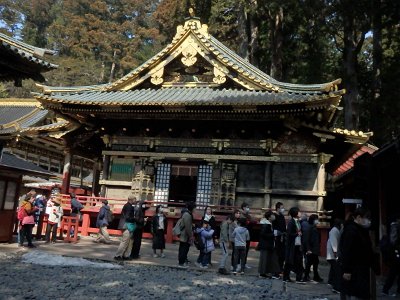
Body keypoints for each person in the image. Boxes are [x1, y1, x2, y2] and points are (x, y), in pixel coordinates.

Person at [339, 207, 377, 299]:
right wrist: (347, 270)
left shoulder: (362, 230)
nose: (369, 221)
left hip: (362, 268)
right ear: (359, 217)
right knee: (354, 293)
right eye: (367, 218)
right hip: (354, 270)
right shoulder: (351, 230)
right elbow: (347, 251)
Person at [283, 207, 305, 284]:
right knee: (289, 261)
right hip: (292, 245)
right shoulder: (291, 222)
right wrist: (297, 234)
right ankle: (286, 277)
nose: (300, 213)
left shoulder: (298, 222)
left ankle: (299, 278)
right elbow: (289, 234)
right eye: (299, 212)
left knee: (299, 261)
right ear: (295, 213)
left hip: (298, 244)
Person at [258, 210, 280, 279]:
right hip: (265, 244)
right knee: (264, 259)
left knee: (267, 259)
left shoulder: (270, 223)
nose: (274, 216)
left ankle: (265, 272)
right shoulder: (265, 224)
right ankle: (262, 273)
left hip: (268, 244)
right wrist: (273, 234)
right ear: (269, 217)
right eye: (272, 215)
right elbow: (263, 234)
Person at [382, 215, 400, 296]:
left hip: (394, 254)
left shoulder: (393, 227)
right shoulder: (395, 227)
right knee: (393, 272)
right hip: (395, 253)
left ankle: (386, 289)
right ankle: (386, 289)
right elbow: (393, 240)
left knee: (394, 272)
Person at [115, 195, 136, 260]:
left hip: (126, 224)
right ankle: (118, 255)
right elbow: (128, 217)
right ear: (132, 199)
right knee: (125, 241)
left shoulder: (127, 206)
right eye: (135, 199)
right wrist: (135, 219)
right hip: (127, 225)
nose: (135, 201)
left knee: (129, 241)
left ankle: (125, 255)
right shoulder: (129, 207)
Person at [303, 214, 323, 282]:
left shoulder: (313, 228)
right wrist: (308, 249)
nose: (317, 221)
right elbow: (307, 239)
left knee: (314, 263)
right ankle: (308, 276)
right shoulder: (310, 228)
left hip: (314, 249)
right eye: (316, 219)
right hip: (312, 249)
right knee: (310, 263)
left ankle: (313, 276)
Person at [326, 218, 343, 293]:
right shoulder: (334, 230)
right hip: (333, 253)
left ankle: (331, 281)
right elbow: (334, 242)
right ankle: (336, 287)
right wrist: (336, 252)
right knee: (337, 270)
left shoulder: (335, 230)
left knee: (333, 269)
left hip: (332, 253)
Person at [178, 201, 196, 268]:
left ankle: (181, 262)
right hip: (185, 234)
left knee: (183, 248)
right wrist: (191, 235)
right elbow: (188, 227)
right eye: (194, 208)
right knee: (183, 249)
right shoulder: (187, 215)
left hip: (184, 234)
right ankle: (181, 263)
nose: (195, 209)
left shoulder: (187, 214)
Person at [239, 202, 256, 268]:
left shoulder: (248, 215)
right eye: (247, 207)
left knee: (246, 249)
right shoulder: (241, 215)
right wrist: (249, 222)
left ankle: (244, 263)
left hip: (248, 234)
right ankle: (240, 263)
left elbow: (253, 221)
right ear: (243, 208)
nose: (248, 208)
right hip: (242, 235)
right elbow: (244, 223)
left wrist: (251, 221)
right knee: (242, 250)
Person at [273, 202, 286, 273]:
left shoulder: (282, 216)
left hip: (283, 236)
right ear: (278, 209)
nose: (283, 209)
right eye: (282, 208)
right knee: (277, 253)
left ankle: (281, 267)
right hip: (277, 237)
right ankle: (276, 268)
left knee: (282, 253)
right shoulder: (274, 216)